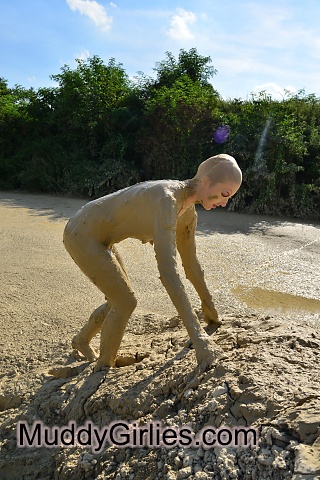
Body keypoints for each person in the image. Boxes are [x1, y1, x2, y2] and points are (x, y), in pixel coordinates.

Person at [63, 154, 242, 372]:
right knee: (125, 301)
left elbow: (191, 264)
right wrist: (199, 339)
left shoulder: (187, 215)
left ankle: (81, 341)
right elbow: (168, 272)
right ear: (205, 182)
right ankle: (104, 366)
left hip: (101, 235)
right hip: (82, 232)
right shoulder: (168, 200)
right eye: (225, 194)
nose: (224, 202)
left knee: (117, 298)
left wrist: (209, 308)